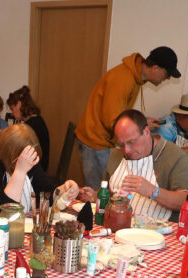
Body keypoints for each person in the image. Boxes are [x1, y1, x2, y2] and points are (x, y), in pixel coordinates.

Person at [76, 46, 181, 186]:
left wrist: (142, 121)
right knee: (100, 192)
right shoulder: (124, 79)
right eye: (167, 74)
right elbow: (112, 120)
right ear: (155, 68)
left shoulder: (135, 77)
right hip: (95, 141)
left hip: (101, 140)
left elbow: (119, 113)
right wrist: (138, 128)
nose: (167, 78)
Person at [78, 109, 188, 221]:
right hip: (117, 224)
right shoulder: (116, 155)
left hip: (156, 233)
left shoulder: (175, 157)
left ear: (146, 132)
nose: (127, 150)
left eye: (131, 142)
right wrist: (93, 195)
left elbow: (186, 200)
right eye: (121, 144)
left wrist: (153, 191)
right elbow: (111, 194)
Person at [0, 124, 69, 230]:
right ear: (13, 155)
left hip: (17, 228)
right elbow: (4, 212)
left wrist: (63, 191)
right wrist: (20, 172)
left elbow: (46, 193)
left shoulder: (27, 160)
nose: (31, 164)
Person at [7, 86, 50, 172]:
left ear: (19, 105)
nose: (12, 113)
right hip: (38, 167)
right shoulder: (36, 120)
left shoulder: (32, 126)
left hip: (37, 170)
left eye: (12, 109)